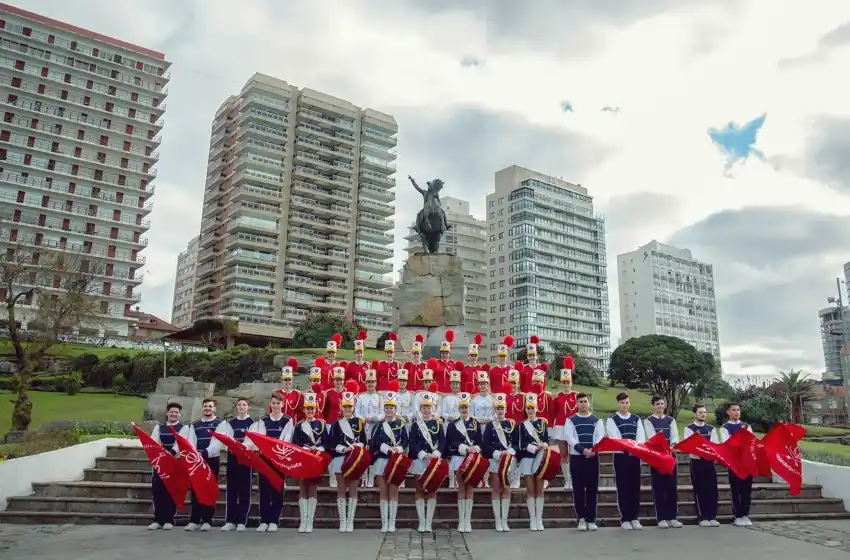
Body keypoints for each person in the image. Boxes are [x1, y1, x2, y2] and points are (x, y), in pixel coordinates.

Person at [246, 392, 295, 532]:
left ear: (282, 404)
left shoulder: (287, 420)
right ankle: (264, 520)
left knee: (277, 490)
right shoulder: (263, 420)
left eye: (278, 403)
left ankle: (274, 520)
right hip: (264, 459)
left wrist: (275, 452)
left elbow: (286, 439)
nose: (275, 406)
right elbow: (259, 438)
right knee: (264, 490)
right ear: (270, 404)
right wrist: (262, 449)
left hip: (279, 460)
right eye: (273, 403)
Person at [564, 392, 605, 532]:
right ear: (576, 404)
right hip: (577, 458)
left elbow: (599, 437)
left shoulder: (597, 420)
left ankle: (591, 519)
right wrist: (583, 450)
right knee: (578, 489)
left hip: (593, 458)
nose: (583, 404)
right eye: (580, 401)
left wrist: (593, 450)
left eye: (585, 401)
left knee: (592, 490)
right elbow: (570, 438)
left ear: (589, 403)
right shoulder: (571, 420)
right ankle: (581, 518)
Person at [606, 392, 647, 530]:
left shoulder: (636, 419)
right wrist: (627, 447)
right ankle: (625, 518)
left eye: (627, 403)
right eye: (622, 403)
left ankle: (634, 517)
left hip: (634, 455)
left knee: (635, 487)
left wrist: (635, 448)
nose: (625, 405)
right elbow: (615, 437)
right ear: (618, 404)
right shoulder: (612, 419)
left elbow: (641, 437)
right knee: (623, 486)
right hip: (620, 456)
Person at [370, 391, 410, 533]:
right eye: (386, 407)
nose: (388, 410)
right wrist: (387, 449)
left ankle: (392, 522)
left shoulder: (401, 424)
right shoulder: (379, 426)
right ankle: (384, 522)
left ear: (395, 409)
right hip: (382, 460)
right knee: (383, 492)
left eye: (391, 407)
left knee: (393, 491)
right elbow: (375, 442)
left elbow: (405, 440)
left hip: (396, 461)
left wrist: (398, 448)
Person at [148, 402, 190, 531]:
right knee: (157, 490)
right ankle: (157, 519)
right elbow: (153, 441)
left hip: (175, 462)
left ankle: (169, 520)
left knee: (171, 491)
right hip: (160, 463)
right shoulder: (159, 427)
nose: (173, 414)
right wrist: (160, 454)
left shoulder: (184, 428)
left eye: (176, 412)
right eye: (171, 412)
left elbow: (181, 442)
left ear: (179, 414)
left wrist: (171, 452)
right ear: (167, 413)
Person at [329, 391, 368, 532]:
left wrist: (357, 447)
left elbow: (364, 440)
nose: (347, 409)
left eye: (350, 407)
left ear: (354, 407)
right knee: (341, 488)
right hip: (340, 457)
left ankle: (350, 521)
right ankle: (342, 521)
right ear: (341, 407)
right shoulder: (336, 424)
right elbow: (332, 444)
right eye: (345, 407)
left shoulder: (359, 422)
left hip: (355, 458)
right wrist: (343, 449)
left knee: (353, 488)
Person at [446, 392, 483, 533]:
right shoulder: (453, 424)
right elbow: (450, 441)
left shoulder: (475, 422)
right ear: (458, 408)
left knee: (470, 488)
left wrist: (477, 448)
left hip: (472, 458)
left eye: (466, 407)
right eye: (461, 407)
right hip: (459, 458)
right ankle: (462, 520)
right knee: (462, 488)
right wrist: (462, 447)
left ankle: (468, 520)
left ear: (469, 407)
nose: (464, 409)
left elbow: (480, 440)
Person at [643, 395, 682, 529]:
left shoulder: (671, 420)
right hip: (657, 457)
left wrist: (673, 445)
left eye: (662, 404)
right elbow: (651, 437)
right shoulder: (648, 421)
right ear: (653, 406)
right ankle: (661, 518)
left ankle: (672, 517)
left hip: (670, 457)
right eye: (657, 404)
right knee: (659, 488)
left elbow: (675, 435)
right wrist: (662, 449)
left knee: (672, 487)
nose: (660, 406)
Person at [409, 392, 445, 533]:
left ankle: (428, 522)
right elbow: (412, 443)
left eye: (429, 407)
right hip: (420, 460)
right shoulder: (415, 425)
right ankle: (421, 521)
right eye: (424, 407)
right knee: (419, 489)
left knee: (432, 489)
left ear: (433, 408)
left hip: (433, 461)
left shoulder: (438, 423)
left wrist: (436, 454)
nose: (426, 410)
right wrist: (423, 455)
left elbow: (442, 442)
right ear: (420, 408)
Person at [292, 393, 329, 533]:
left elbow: (326, 442)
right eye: (307, 409)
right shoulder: (299, 426)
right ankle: (303, 520)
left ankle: (310, 521)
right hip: (303, 458)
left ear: (316, 409)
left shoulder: (321, 424)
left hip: (316, 458)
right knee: (303, 487)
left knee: (313, 487)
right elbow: (295, 443)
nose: (309, 411)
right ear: (304, 410)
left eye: (312, 409)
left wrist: (319, 448)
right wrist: (304, 449)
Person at [185, 398, 223, 532]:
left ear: (214, 409)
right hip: (197, 461)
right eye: (205, 406)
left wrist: (206, 453)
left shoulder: (220, 423)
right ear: (202, 408)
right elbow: (190, 441)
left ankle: (207, 520)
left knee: (210, 489)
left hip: (212, 459)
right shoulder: (195, 424)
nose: (208, 408)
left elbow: (218, 441)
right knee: (195, 489)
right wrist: (196, 455)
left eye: (210, 406)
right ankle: (194, 520)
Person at [482, 393, 518, 531]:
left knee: (506, 488)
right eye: (497, 408)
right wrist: (496, 453)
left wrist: (510, 452)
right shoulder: (490, 426)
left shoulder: (512, 423)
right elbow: (486, 444)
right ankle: (498, 520)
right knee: (496, 488)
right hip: (495, 459)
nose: (500, 410)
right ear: (494, 410)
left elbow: (516, 442)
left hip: (509, 459)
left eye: (502, 407)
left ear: (506, 409)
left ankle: (505, 520)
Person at [218, 398, 254, 532]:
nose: (241, 407)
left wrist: (240, 448)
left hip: (245, 458)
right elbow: (225, 438)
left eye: (244, 405)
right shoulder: (230, 423)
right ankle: (230, 520)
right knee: (232, 489)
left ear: (248, 407)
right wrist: (230, 447)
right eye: (239, 405)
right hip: (232, 458)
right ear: (236, 408)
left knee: (244, 490)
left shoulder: (253, 423)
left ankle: (241, 521)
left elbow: (251, 440)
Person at [518, 393, 550, 531]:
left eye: (533, 408)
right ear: (525, 409)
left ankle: (539, 518)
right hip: (527, 457)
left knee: (540, 489)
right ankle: (532, 518)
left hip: (540, 458)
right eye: (528, 408)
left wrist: (543, 445)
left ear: (537, 408)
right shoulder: (522, 425)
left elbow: (547, 440)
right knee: (530, 489)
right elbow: (520, 444)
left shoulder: (543, 423)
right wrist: (534, 447)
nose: (530, 411)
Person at [719, 402, 754, 527]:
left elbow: (751, 441)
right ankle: (737, 515)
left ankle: (745, 514)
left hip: (746, 463)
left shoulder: (746, 426)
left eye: (738, 410)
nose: (736, 412)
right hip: (734, 463)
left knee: (746, 490)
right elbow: (727, 443)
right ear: (728, 412)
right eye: (733, 410)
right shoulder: (725, 427)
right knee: (736, 490)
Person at [685, 403, 720, 528]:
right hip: (696, 461)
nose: (703, 414)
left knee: (712, 489)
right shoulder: (689, 428)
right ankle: (702, 516)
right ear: (694, 414)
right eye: (700, 412)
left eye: (704, 412)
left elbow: (715, 445)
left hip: (709, 461)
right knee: (700, 489)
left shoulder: (711, 429)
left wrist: (710, 453)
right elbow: (690, 445)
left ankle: (712, 516)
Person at [355, 368, 384, 488]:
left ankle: (372, 477)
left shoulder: (380, 397)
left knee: (374, 452)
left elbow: (383, 412)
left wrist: (376, 418)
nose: (371, 384)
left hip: (376, 428)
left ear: (376, 383)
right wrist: (363, 418)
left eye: (373, 382)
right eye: (368, 382)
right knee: (364, 452)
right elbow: (356, 412)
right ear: (365, 383)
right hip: (364, 427)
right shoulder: (361, 397)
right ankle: (364, 478)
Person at [553, 356, 578, 490]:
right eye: (564, 382)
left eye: (568, 382)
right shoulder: (558, 396)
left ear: (571, 382)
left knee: (574, 454)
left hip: (573, 427)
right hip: (561, 426)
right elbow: (555, 412)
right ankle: (567, 480)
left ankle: (574, 479)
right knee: (564, 454)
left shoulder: (576, 396)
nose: (566, 384)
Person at [438, 370, 463, 488]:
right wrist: (449, 417)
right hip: (449, 426)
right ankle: (451, 479)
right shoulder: (446, 398)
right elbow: (443, 413)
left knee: (458, 453)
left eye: (457, 383)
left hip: (461, 428)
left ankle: (458, 478)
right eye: (453, 384)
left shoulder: (464, 397)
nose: (455, 386)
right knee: (449, 454)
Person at [323, 365, 347, 489]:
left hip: (343, 424)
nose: (338, 382)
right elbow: (325, 410)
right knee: (332, 450)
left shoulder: (347, 393)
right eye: (337, 379)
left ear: (344, 380)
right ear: (333, 380)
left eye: (341, 379)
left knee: (343, 450)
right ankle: (332, 477)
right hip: (330, 424)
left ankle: (342, 476)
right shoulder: (329, 393)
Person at [471, 370, 495, 488]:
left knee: (489, 453)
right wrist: (479, 420)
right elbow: (471, 415)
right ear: (478, 385)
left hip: (490, 428)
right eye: (481, 384)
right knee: (479, 454)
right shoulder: (474, 400)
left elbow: (497, 413)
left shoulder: (493, 399)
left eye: (485, 384)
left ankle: (487, 479)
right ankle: (480, 478)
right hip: (478, 428)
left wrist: (488, 420)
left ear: (488, 384)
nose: (483, 386)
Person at [504, 365, 525, 489]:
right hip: (506, 429)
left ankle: (516, 478)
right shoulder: (503, 397)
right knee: (507, 453)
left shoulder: (523, 397)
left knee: (518, 455)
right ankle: (508, 477)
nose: (513, 385)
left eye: (515, 382)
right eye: (510, 382)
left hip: (519, 429)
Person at [435, 329, 458, 394]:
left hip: (450, 393)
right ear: (440, 353)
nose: (444, 355)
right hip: (438, 392)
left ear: (449, 354)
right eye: (443, 353)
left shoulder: (453, 364)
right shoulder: (436, 363)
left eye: (446, 353)